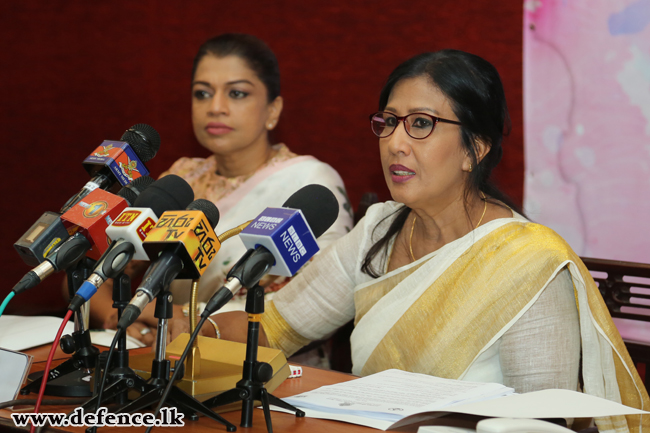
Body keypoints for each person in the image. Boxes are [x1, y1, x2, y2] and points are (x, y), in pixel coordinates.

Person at [181, 50, 649, 432]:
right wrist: (192, 333)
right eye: (388, 122)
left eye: (421, 124)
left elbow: (544, 420)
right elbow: (280, 325)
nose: (395, 143)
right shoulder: (378, 231)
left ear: (475, 147)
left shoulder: (529, 261)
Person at [88, 33, 353, 345]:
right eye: (202, 94)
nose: (215, 107)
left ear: (273, 110)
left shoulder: (310, 183)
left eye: (237, 93)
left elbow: (315, 305)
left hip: (266, 365)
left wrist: (191, 323)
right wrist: (116, 314)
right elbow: (95, 272)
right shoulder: (181, 179)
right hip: (161, 353)